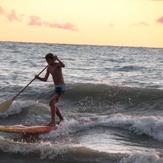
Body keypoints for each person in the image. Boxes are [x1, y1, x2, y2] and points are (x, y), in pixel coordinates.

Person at [35, 53, 65, 126]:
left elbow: (63, 65)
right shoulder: (48, 68)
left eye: (49, 60)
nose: (48, 62)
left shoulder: (57, 64)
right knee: (52, 104)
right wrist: (38, 78)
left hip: (61, 86)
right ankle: (61, 119)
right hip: (56, 87)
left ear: (52, 59)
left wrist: (57, 59)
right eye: (47, 61)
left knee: (52, 102)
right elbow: (45, 79)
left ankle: (53, 121)